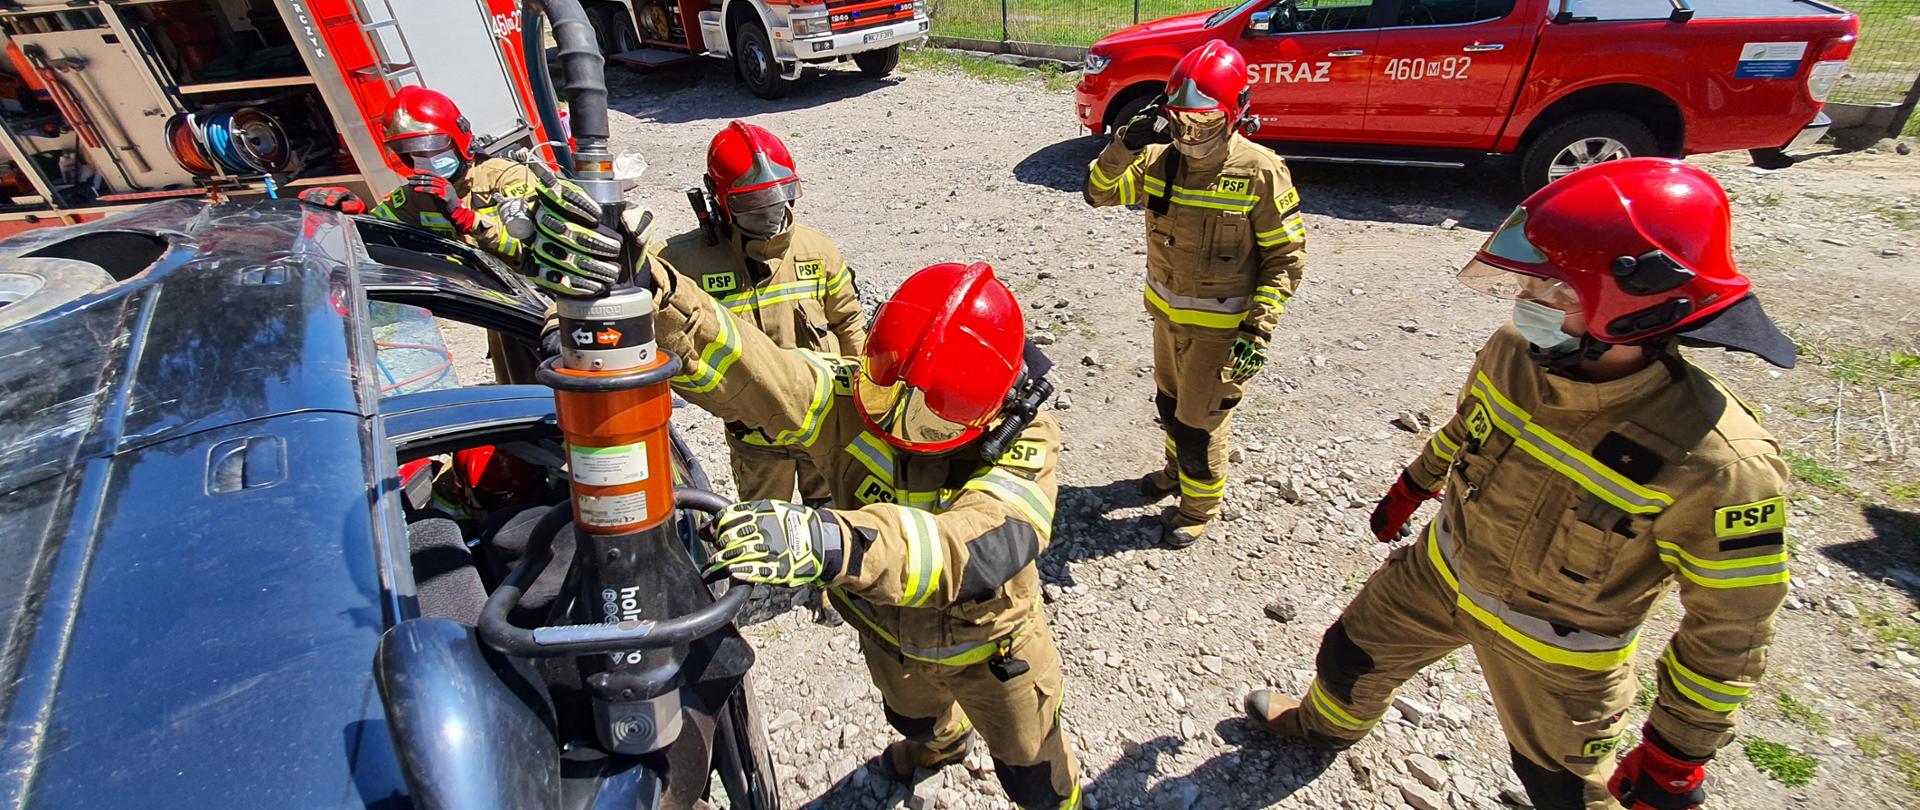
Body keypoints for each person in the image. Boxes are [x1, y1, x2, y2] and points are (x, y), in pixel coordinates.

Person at [1242, 158, 1796, 810]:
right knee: (1347, 657)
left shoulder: (1720, 461)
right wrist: (1415, 484)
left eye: (1554, 294)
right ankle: (1320, 726)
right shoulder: (1513, 355)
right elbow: (1466, 426)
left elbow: (1732, 628)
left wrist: (1678, 751)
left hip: (1558, 657)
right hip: (1441, 575)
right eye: (1529, 286)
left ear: (1629, 308)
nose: (1525, 306)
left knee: (1563, 793)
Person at [525, 178, 1081, 809]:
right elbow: (755, 368)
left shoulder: (1025, 438)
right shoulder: (857, 395)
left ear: (986, 412)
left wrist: (829, 541)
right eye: (879, 391)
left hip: (992, 656)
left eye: (924, 422)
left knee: (1036, 776)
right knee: (915, 719)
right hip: (887, 635)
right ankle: (939, 748)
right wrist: (653, 294)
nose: (890, 425)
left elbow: (976, 545)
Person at [1081, 39, 1308, 548]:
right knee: (1170, 405)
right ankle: (1173, 472)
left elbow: (1286, 257)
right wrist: (1123, 146)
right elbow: (1097, 193)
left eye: (1203, 123)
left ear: (1234, 115)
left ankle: (1197, 506)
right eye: (1181, 122)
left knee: (1200, 422)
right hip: (1166, 317)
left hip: (1222, 330)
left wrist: (1259, 326)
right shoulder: (1161, 162)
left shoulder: (1260, 172)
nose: (1189, 135)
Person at [672, 120, 867, 506]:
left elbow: (849, 323)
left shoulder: (818, 251)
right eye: (752, 205)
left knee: (833, 524)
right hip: (756, 440)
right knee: (763, 529)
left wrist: (863, 403)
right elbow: (641, 297)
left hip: (822, 427)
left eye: (780, 197)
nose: (770, 214)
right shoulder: (685, 263)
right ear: (719, 200)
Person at [299, 86, 535, 261]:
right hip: (494, 304)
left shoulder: (509, 177)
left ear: (458, 140)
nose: (425, 158)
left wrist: (466, 218)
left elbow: (531, 249)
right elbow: (378, 235)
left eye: (433, 147)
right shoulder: (416, 196)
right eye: (413, 152)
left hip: (538, 300)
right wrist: (353, 215)